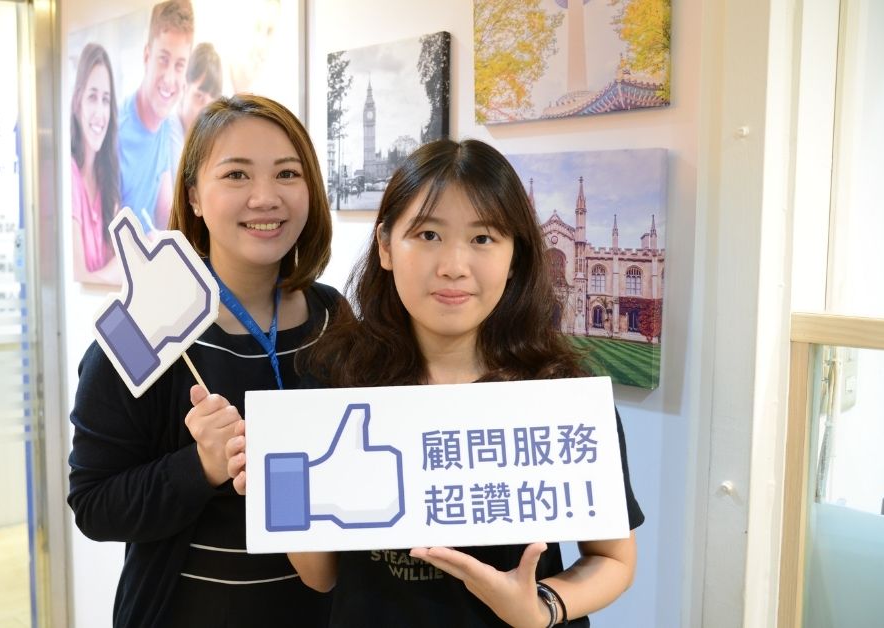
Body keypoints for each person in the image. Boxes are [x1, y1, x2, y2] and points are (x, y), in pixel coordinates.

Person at [227, 139, 644, 627]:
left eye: (483, 238)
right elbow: (321, 576)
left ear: (514, 257)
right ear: (386, 246)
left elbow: (613, 559)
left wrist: (541, 607)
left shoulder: (560, 391)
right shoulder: (335, 382)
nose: (453, 266)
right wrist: (275, 488)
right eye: (427, 234)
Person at [68, 94, 342, 627]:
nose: (265, 197)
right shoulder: (144, 327)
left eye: (287, 174)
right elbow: (94, 505)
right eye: (236, 175)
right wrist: (201, 466)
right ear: (194, 195)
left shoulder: (335, 320)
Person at [117, 0, 193, 233]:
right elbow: (107, 239)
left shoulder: (164, 125)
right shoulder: (117, 132)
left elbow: (164, 213)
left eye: (179, 66)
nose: (169, 79)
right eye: (163, 59)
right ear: (147, 56)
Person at [70, 43, 123, 285]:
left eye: (106, 100)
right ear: (77, 102)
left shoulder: (107, 178)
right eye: (92, 97)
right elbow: (77, 280)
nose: (100, 113)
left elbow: (124, 259)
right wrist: (118, 269)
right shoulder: (68, 176)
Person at [171, 42, 223, 150]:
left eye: (212, 104)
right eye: (199, 97)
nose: (206, 113)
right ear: (184, 87)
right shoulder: (165, 135)